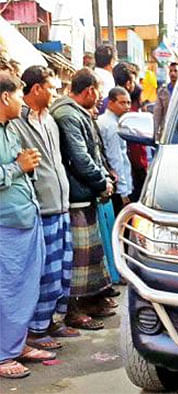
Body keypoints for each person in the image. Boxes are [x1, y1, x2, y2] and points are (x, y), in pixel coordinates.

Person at [8, 66, 80, 351]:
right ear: (36, 88)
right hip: (41, 208)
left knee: (62, 270)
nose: (55, 92)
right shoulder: (16, 123)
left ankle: (52, 321)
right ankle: (36, 330)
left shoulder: (49, 119)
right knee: (44, 273)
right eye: (51, 87)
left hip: (61, 204)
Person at [0, 71, 56, 380]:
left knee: (24, 289)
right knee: (7, 291)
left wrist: (25, 167)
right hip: (5, 224)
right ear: (5, 97)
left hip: (25, 218)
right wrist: (16, 167)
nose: (23, 102)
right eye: (20, 95)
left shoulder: (10, 129)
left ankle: (15, 344)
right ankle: (3, 354)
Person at [51, 68, 115, 331]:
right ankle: (73, 310)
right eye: (98, 91)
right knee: (79, 256)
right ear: (89, 90)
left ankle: (89, 302)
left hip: (84, 193)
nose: (99, 97)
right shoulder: (67, 115)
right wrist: (102, 182)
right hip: (76, 195)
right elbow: (80, 158)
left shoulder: (75, 113)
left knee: (90, 255)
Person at [97, 87, 133, 215]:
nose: (127, 106)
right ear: (111, 103)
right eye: (122, 103)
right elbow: (116, 158)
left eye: (128, 102)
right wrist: (124, 192)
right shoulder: (112, 125)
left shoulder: (104, 120)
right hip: (116, 184)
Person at [153, 61, 178, 137]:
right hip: (167, 130)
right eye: (170, 71)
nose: (173, 73)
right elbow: (157, 113)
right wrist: (155, 133)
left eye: (175, 71)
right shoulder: (163, 91)